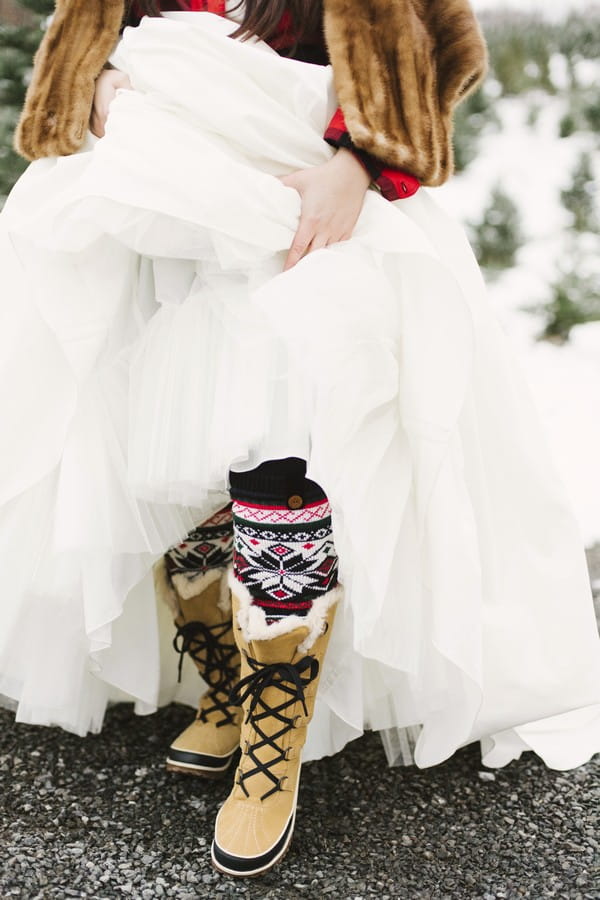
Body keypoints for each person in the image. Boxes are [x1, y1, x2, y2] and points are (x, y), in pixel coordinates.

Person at [1, 0, 599, 879]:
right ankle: (233, 689)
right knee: (151, 465)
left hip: (311, 209)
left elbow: (442, 42)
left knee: (281, 461)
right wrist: (99, 85)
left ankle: (270, 753)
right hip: (161, 209)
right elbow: (81, 31)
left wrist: (362, 165)